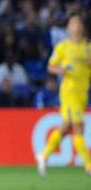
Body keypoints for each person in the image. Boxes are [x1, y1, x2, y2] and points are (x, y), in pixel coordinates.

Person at [37, 14, 91, 177]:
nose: (75, 26)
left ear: (83, 27)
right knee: (79, 127)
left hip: (82, 92)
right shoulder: (63, 47)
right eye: (72, 23)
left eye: (78, 23)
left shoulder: (88, 47)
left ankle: (44, 155)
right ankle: (89, 165)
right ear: (68, 28)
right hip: (69, 91)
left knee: (66, 128)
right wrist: (63, 70)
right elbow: (50, 67)